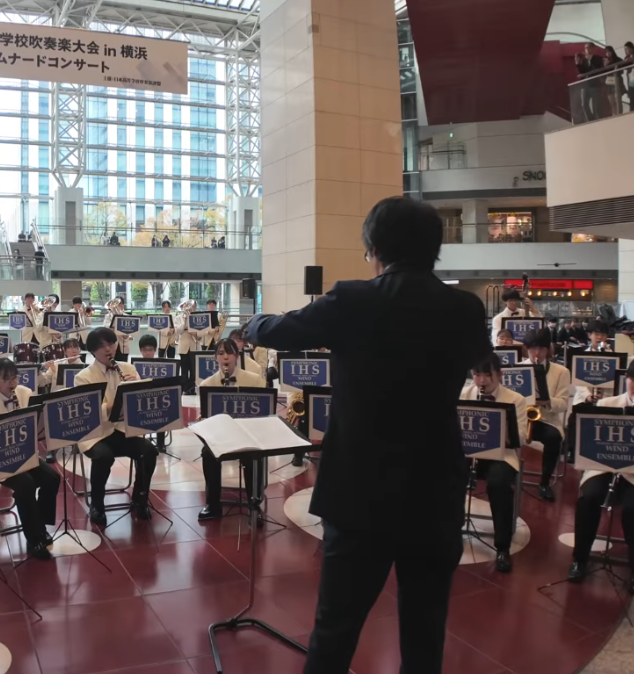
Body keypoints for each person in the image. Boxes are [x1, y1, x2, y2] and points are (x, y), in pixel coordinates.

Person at [244, 197, 490, 674]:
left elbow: (279, 330)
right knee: (425, 627)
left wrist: (250, 324)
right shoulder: (465, 308)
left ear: (374, 247)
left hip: (360, 492)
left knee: (336, 626)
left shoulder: (355, 299)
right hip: (434, 490)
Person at [568, 358, 634, 596]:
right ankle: (579, 559)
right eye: (633, 380)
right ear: (626, 380)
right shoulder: (606, 403)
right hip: (603, 469)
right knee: (588, 499)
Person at [0, 358, 60, 560]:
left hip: (24, 455)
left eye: (15, 378)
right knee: (26, 485)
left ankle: (40, 525)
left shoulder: (25, 393)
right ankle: (34, 538)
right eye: (7, 380)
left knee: (52, 478)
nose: (13, 384)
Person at [74, 328, 159, 525]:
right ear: (93, 351)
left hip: (122, 430)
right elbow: (88, 414)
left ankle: (140, 498)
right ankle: (97, 504)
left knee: (149, 452)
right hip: (96, 434)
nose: (108, 349)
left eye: (111, 344)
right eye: (102, 346)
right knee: (104, 456)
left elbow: (141, 404)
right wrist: (115, 403)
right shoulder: (84, 377)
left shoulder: (128, 369)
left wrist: (137, 388)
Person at [459, 354, 528, 573]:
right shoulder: (463, 395)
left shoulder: (515, 399)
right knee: (445, 475)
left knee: (498, 484)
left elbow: (523, 437)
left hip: (500, 455)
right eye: (477, 375)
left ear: (499, 375)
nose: (481, 381)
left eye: (487, 375)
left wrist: (498, 432)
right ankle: (448, 530)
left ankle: (502, 546)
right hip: (468, 453)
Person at [198, 340, 267, 521]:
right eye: (221, 353)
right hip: (221, 436)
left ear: (237, 355)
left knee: (254, 455)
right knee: (207, 453)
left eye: (229, 353)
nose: (225, 357)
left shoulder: (255, 380)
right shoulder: (206, 384)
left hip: (247, 435)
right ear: (215, 358)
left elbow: (264, 414)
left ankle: (255, 504)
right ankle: (212, 504)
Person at [520, 329, 572, 502]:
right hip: (521, 418)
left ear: (548, 349)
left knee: (553, 437)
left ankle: (544, 482)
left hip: (545, 420)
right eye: (533, 348)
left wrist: (546, 401)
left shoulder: (561, 371)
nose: (537, 353)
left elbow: (564, 403)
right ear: (527, 349)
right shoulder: (518, 369)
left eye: (541, 349)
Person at [603, 45, 625, 115]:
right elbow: (603, 72)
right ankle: (614, 115)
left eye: (609, 51)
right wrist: (605, 65)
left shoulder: (617, 59)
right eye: (606, 52)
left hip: (617, 80)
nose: (607, 53)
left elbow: (622, 70)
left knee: (618, 101)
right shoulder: (605, 61)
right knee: (612, 102)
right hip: (609, 82)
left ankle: (620, 114)